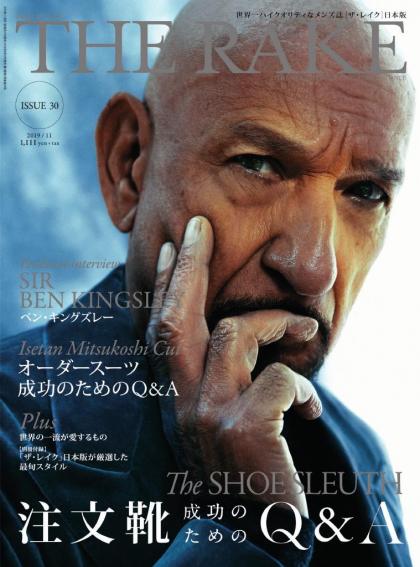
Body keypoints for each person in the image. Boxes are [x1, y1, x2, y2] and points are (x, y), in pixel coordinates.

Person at [1, 0, 415, 565]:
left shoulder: (359, 457)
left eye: (365, 193)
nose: (315, 268)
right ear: (128, 166)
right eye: (258, 164)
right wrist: (242, 529)